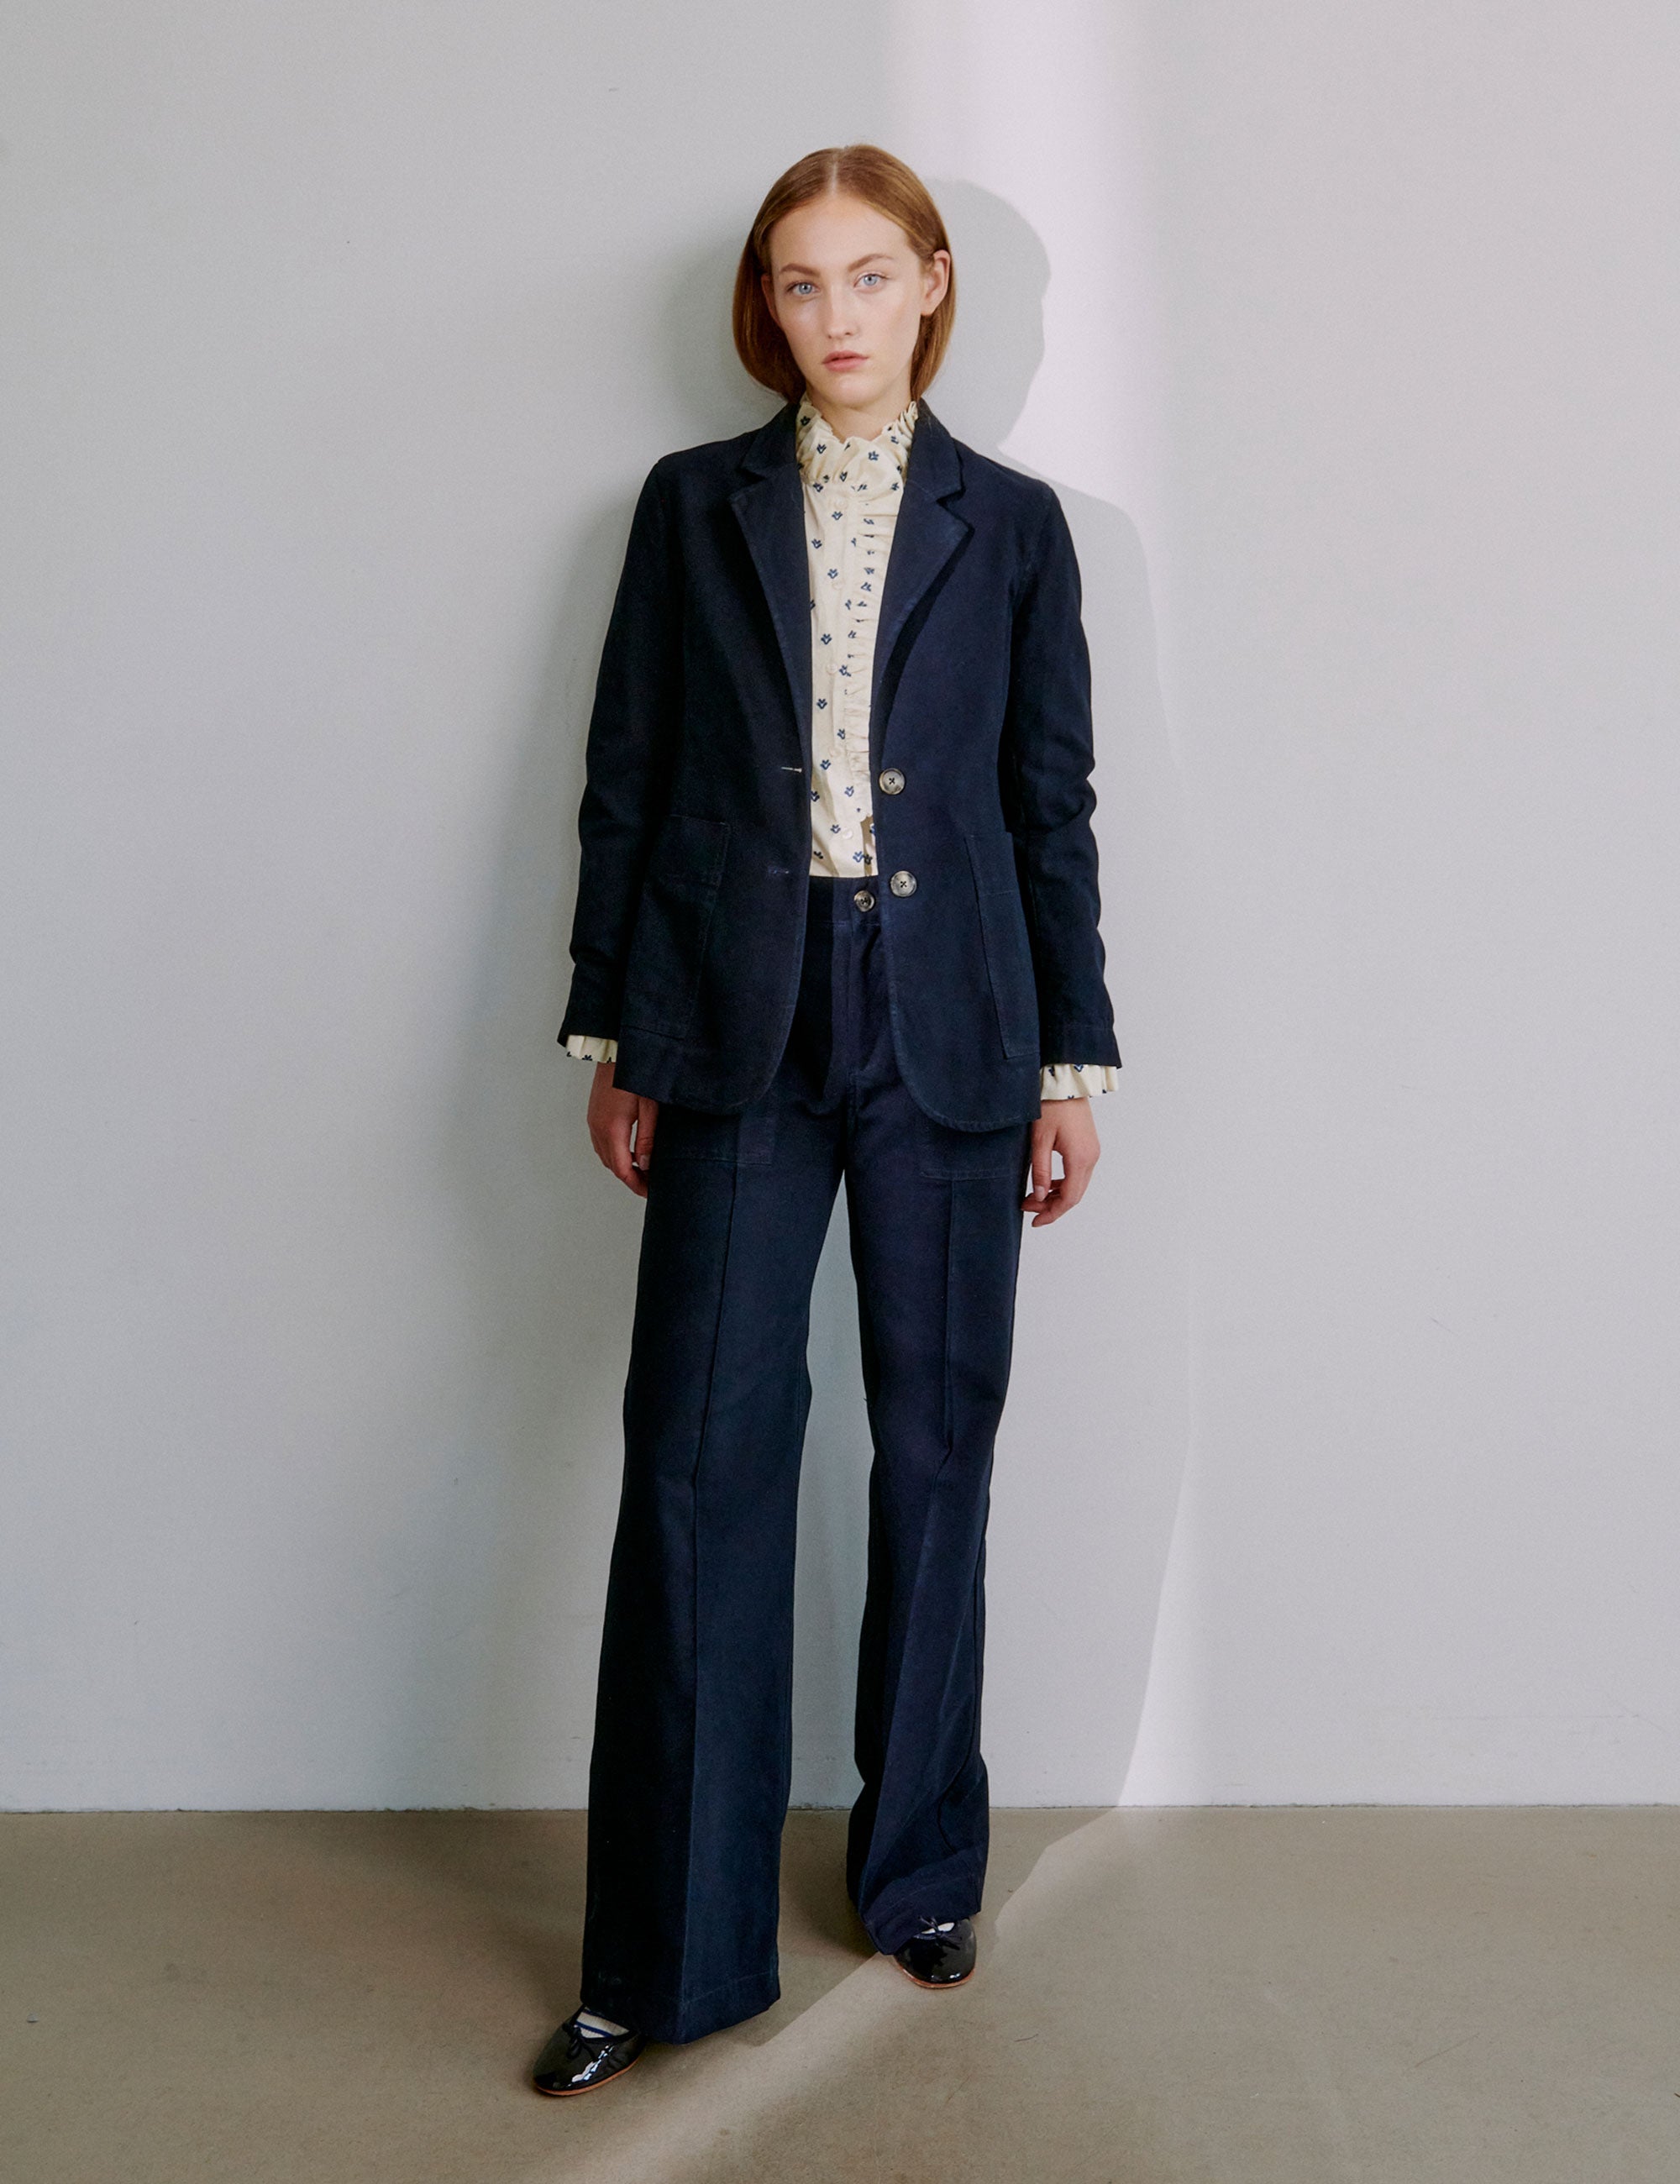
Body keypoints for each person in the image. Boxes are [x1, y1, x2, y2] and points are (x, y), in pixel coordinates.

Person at [532, 144, 1121, 2097]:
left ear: (934, 287)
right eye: (801, 283)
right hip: (728, 1013)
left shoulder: (1018, 527)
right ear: (766, 307)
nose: (839, 314)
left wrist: (1070, 1063)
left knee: (935, 1451)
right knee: (698, 1462)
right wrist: (614, 1020)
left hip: (952, 1022)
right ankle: (663, 1952)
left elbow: (1051, 809)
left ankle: (921, 1865)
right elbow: (631, 768)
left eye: (873, 276)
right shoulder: (691, 509)